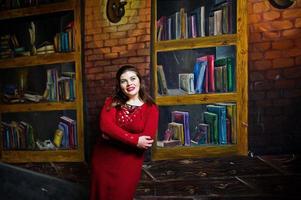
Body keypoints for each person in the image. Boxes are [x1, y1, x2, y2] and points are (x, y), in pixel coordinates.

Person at [90, 65, 159, 200]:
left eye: (133, 78)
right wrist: (135, 140)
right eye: (123, 81)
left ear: (139, 80)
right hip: (103, 161)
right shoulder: (112, 102)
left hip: (129, 164)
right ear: (119, 85)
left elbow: (146, 140)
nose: (129, 84)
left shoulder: (151, 108)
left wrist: (113, 136)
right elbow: (105, 127)